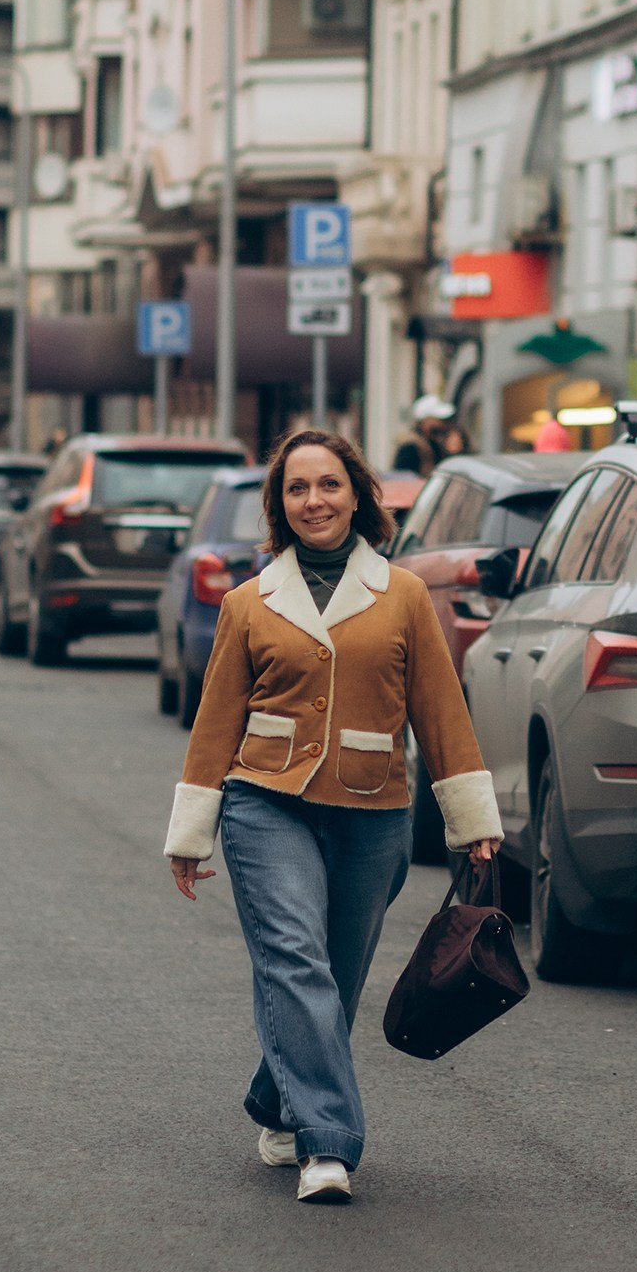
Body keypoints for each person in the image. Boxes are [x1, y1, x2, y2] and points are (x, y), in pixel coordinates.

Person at [164, 425, 501, 1203]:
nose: (314, 500)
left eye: (329, 485)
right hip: (265, 801)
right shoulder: (250, 603)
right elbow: (217, 718)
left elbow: (440, 709)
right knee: (295, 959)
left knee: (336, 976)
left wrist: (471, 820)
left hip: (373, 809)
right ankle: (327, 1143)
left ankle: (273, 1100)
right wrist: (191, 831)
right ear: (280, 507)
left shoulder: (405, 595)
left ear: (357, 495)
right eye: (297, 488)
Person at [389, 392, 455, 478]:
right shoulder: (410, 447)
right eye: (437, 419)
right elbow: (402, 478)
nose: (442, 423)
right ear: (424, 421)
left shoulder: (433, 443)